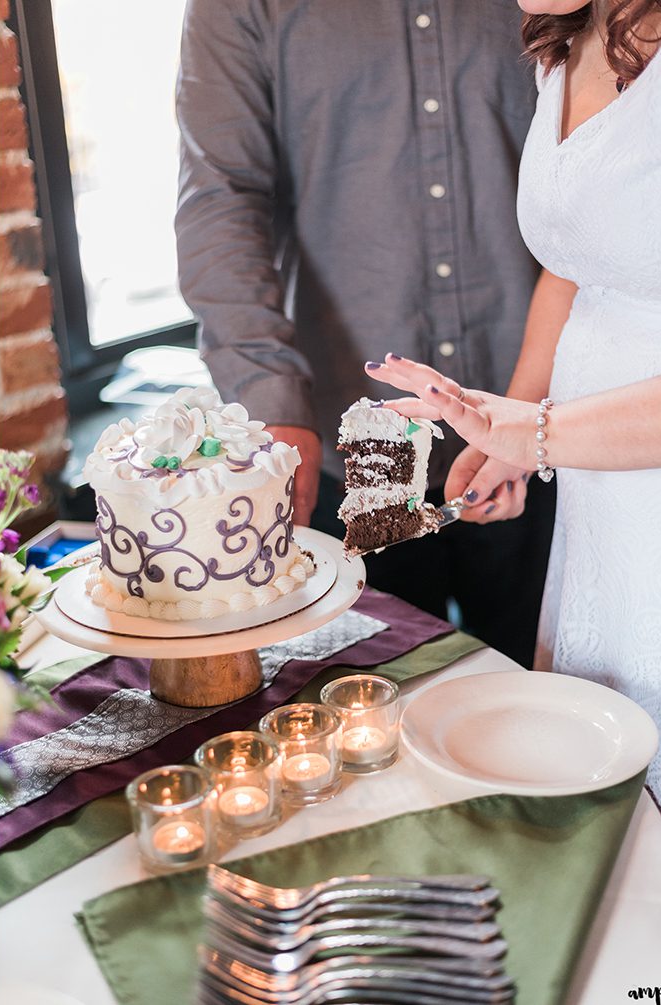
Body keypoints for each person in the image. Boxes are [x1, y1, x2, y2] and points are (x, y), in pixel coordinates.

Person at [174, 0, 557, 665]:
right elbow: (223, 195)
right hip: (361, 440)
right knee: (377, 709)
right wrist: (270, 394)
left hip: (541, 413)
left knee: (550, 708)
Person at [367, 0, 661, 804]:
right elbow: (577, 260)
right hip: (599, 484)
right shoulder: (562, 45)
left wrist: (535, 432)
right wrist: (515, 427)